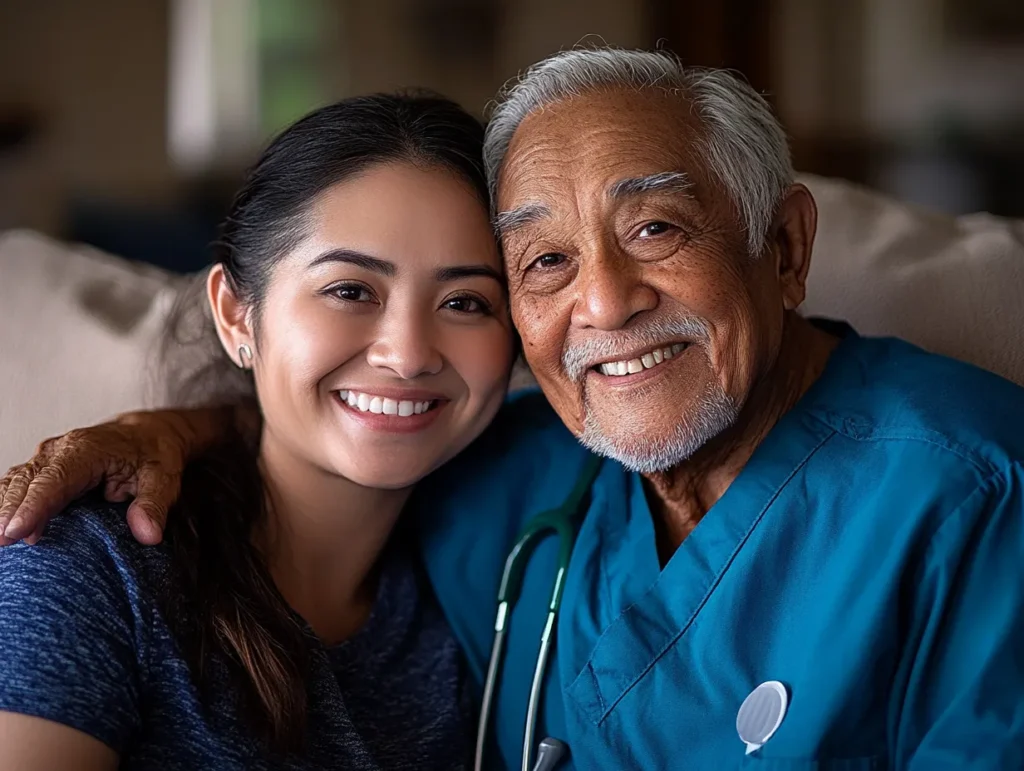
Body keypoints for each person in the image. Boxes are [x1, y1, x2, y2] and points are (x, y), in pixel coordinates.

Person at [3, 47, 1024, 770]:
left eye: (657, 227)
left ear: (786, 249)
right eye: (542, 261)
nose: (604, 302)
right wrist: (166, 428)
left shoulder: (971, 491)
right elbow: (341, 430)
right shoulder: (507, 477)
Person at [0, 92, 516, 769]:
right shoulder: (87, 562)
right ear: (238, 316)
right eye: (351, 290)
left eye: (465, 301)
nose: (410, 353)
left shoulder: (488, 588)